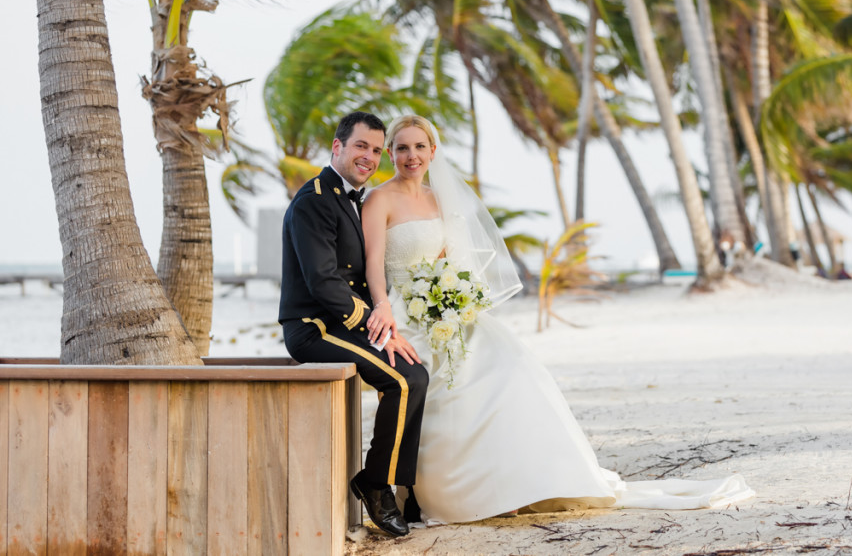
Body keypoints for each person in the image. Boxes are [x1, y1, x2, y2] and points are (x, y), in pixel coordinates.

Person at [360, 115, 754, 524]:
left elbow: (449, 260)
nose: (411, 156)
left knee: (511, 368)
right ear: (390, 153)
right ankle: (440, 493)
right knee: (442, 389)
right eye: (402, 148)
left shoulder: (439, 199)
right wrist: (383, 306)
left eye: (419, 147)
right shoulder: (379, 200)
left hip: (448, 308)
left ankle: (511, 482)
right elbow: (374, 263)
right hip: (405, 312)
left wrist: (458, 298)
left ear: (433, 152)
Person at [279, 111, 429, 538]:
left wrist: (385, 320)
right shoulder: (314, 200)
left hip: (346, 324)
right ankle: (375, 484)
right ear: (337, 146)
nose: (370, 157)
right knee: (403, 382)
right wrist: (376, 322)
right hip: (315, 327)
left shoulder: (353, 198)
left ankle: (400, 488)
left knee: (415, 375)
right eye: (361, 146)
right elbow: (324, 282)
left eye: (377, 150)